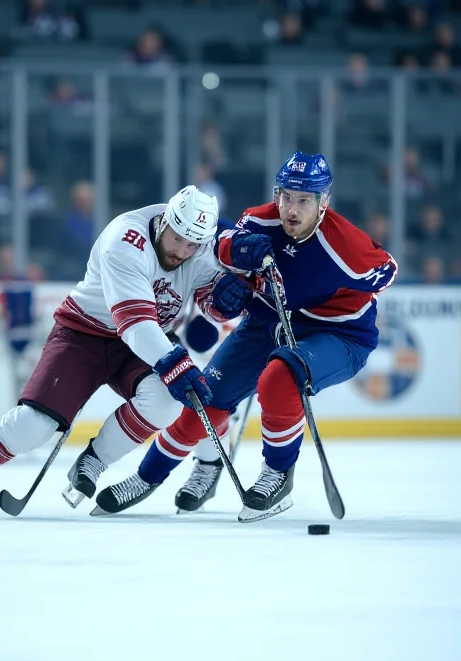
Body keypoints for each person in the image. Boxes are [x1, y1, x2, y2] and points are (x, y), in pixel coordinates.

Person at [96, 151, 398, 522]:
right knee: (202, 400)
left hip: (337, 334)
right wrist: (236, 260)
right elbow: (221, 244)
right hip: (265, 325)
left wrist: (328, 299)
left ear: (324, 202)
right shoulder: (259, 220)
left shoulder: (345, 246)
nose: (291, 208)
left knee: (280, 377)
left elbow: (386, 272)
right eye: (286, 196)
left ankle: (277, 472)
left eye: (304, 199)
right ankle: (146, 477)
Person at [0, 186, 253, 518]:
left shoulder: (202, 248)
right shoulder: (125, 239)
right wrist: (175, 363)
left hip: (148, 340)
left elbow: (210, 305)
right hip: (84, 334)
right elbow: (134, 324)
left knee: (166, 402)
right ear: (165, 219)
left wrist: (224, 302)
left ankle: (95, 460)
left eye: (191, 244)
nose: (181, 250)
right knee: (34, 426)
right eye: (176, 238)